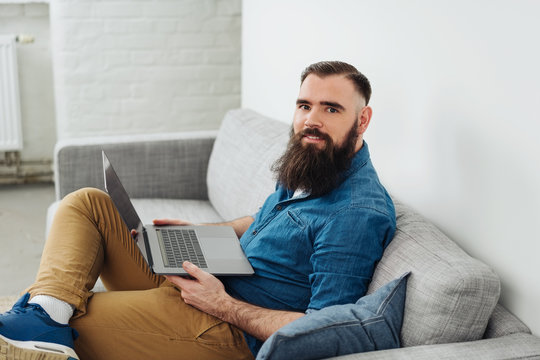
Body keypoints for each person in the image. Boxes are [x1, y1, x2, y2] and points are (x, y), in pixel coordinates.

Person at [0, 61, 396, 360]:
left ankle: (45, 318)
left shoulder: (356, 214)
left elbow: (322, 328)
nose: (311, 120)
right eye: (304, 105)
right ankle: (45, 311)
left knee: (76, 316)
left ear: (362, 119)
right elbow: (263, 220)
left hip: (223, 327)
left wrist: (221, 303)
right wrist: (202, 233)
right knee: (88, 203)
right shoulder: (315, 163)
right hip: (204, 281)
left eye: (331, 109)